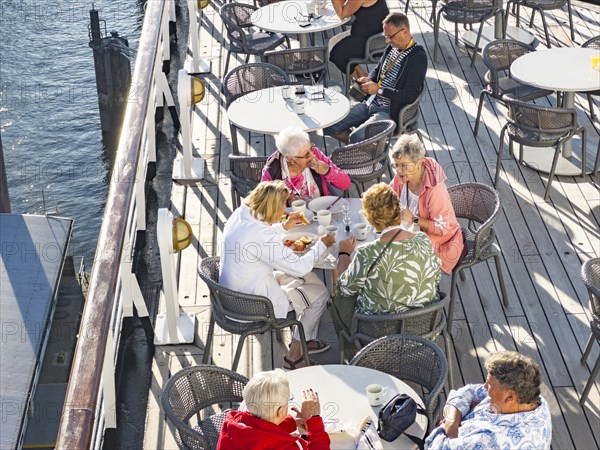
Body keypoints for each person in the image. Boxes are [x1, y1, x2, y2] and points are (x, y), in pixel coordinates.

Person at [220, 181, 335, 369]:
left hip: (232, 295)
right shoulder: (260, 235)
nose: (285, 210)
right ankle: (296, 353)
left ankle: (305, 338)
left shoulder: (240, 215)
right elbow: (299, 268)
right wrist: (322, 244)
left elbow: (258, 236)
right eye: (283, 206)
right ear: (272, 206)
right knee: (320, 294)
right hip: (254, 304)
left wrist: (284, 226)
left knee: (311, 283)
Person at [329, 183, 442, 360]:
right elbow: (436, 277)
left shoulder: (367, 252)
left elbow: (345, 288)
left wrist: (344, 253)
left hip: (377, 332)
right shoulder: (423, 240)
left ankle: (357, 358)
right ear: (398, 209)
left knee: (336, 300)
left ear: (370, 217)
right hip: (424, 325)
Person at [324, 12, 427, 144]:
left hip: (389, 112)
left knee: (356, 137)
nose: (387, 41)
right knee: (330, 125)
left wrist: (378, 90)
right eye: (386, 36)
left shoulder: (417, 57)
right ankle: (367, 151)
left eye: (390, 36)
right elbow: (378, 70)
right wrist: (368, 80)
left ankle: (364, 151)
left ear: (405, 32)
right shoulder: (392, 47)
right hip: (370, 102)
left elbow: (410, 95)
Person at [426, 351, 552, 449]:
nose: (485, 387)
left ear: (510, 397)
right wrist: (452, 422)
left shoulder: (491, 440)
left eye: (490, 385)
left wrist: (444, 425)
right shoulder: (534, 399)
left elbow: (434, 446)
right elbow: (468, 392)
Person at [389, 134, 464, 274]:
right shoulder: (403, 175)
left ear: (419, 163)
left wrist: (414, 219)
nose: (398, 170)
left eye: (404, 166)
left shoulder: (435, 190)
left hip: (440, 242)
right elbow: (390, 194)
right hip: (407, 232)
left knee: (394, 262)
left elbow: (444, 228)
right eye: (396, 165)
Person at [217, 369, 330, 450]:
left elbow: (258, 429)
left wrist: (291, 423)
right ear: (281, 411)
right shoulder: (289, 446)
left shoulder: (232, 421)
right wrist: (314, 422)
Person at [262, 126, 351, 203]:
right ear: (290, 159)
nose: (312, 155)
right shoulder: (271, 170)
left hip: (321, 209)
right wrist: (281, 196)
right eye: (306, 154)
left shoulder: (316, 154)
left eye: (311, 148)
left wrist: (328, 171)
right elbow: (266, 205)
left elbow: (346, 184)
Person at [329, 0, 389, 80]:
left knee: (336, 55)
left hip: (372, 42)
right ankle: (363, 75)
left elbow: (342, 14)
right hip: (372, 34)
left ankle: (360, 84)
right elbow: (344, 3)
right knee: (333, 41)